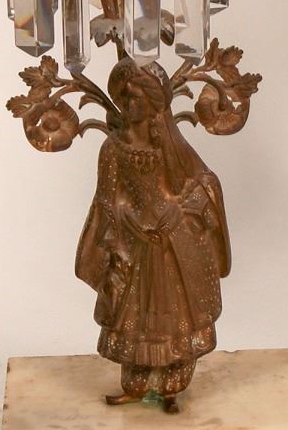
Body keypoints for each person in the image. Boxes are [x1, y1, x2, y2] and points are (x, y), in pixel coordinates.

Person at [76, 59, 231, 408]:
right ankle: (136, 384)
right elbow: (107, 199)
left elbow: (203, 183)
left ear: (152, 103)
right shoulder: (113, 149)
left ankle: (172, 385)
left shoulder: (171, 147)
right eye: (125, 98)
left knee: (174, 315)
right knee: (134, 316)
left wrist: (178, 211)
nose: (129, 105)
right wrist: (130, 222)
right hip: (134, 245)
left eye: (136, 99)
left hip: (173, 244)